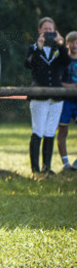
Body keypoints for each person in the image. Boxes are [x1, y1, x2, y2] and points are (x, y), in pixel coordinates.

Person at [24, 16, 68, 174]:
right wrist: (39, 47)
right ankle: (35, 169)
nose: (48, 32)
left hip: (55, 96)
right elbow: (29, 64)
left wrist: (62, 45)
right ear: (40, 31)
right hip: (39, 96)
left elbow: (66, 61)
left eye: (51, 29)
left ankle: (46, 167)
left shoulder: (58, 48)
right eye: (45, 29)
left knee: (50, 131)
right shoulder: (34, 48)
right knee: (38, 130)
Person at [56, 31, 77, 171]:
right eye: (72, 42)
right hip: (64, 101)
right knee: (63, 131)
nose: (75, 45)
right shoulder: (63, 60)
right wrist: (73, 87)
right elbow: (58, 81)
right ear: (67, 43)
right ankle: (65, 163)